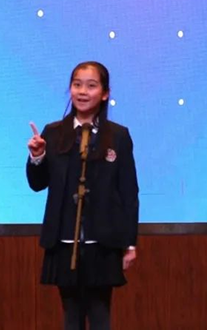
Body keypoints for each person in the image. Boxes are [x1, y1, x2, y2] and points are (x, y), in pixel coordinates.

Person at [26, 61, 139, 330]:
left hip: (103, 242)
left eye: (91, 85)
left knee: (100, 314)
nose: (83, 91)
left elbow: (128, 192)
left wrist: (130, 244)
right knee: (71, 315)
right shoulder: (53, 133)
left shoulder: (118, 136)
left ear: (105, 93)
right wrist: (37, 156)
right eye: (77, 85)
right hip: (64, 240)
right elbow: (37, 184)